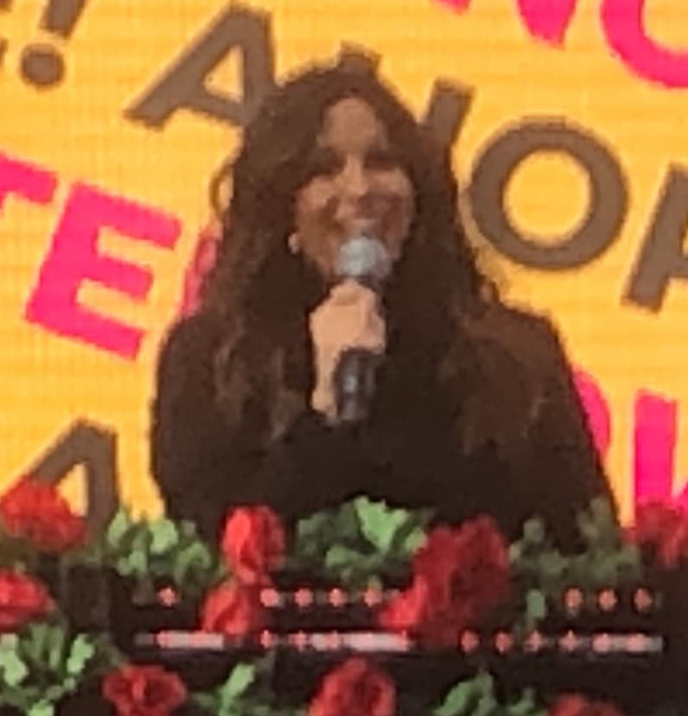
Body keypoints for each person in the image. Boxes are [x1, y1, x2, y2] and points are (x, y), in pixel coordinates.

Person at [151, 61, 611, 539]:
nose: (360, 189)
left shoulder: (518, 356)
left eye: (381, 161)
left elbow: (591, 550)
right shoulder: (206, 359)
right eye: (323, 169)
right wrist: (325, 410)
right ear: (281, 205)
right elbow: (210, 549)